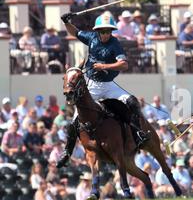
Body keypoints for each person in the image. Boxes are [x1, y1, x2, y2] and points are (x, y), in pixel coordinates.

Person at [57, 12, 148, 168]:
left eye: (108, 31)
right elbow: (75, 32)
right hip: (92, 85)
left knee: (133, 102)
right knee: (73, 122)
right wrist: (66, 22)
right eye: (103, 31)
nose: (106, 34)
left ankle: (138, 135)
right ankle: (67, 152)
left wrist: (104, 66)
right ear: (97, 31)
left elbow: (124, 64)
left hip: (108, 84)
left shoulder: (115, 43)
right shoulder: (91, 38)